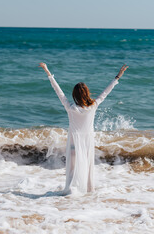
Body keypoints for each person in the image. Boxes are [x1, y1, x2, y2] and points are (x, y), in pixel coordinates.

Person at [39, 62, 128, 194]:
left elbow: (59, 92)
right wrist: (117, 77)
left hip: (74, 142)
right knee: (88, 167)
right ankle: (89, 190)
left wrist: (48, 72)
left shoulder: (71, 108)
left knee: (71, 168)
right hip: (87, 142)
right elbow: (105, 92)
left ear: (75, 95)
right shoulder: (93, 106)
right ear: (87, 93)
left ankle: (70, 191)